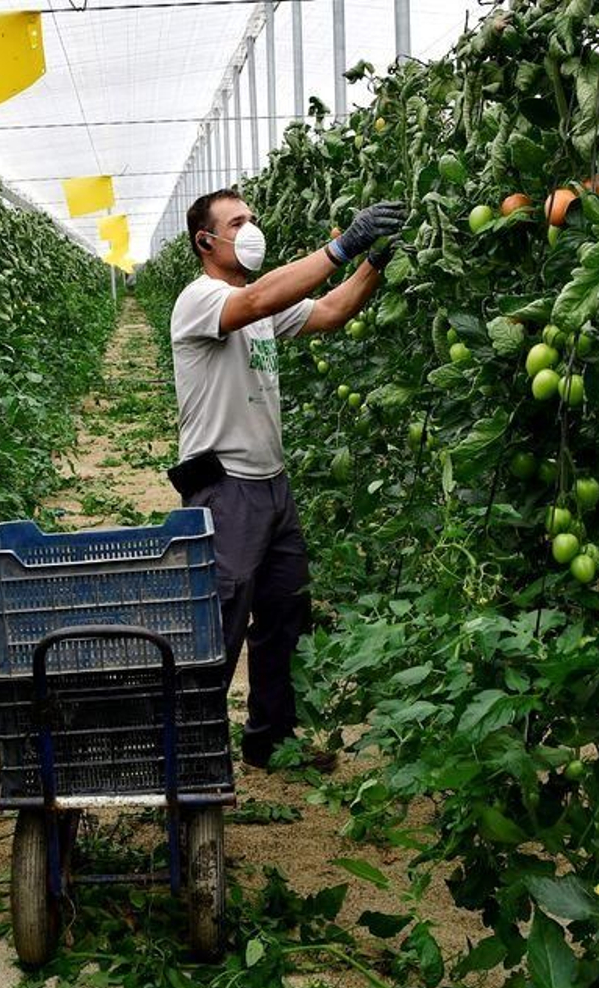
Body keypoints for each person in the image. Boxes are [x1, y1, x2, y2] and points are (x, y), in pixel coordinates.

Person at [168, 190, 406, 769]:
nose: (250, 228)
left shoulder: (265, 303)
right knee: (218, 621)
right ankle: (190, 751)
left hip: (272, 486)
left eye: (252, 218)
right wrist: (342, 245)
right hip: (225, 489)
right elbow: (253, 300)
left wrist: (374, 263)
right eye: (237, 222)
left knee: (283, 614)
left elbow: (328, 312)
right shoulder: (201, 300)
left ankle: (270, 738)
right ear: (207, 241)